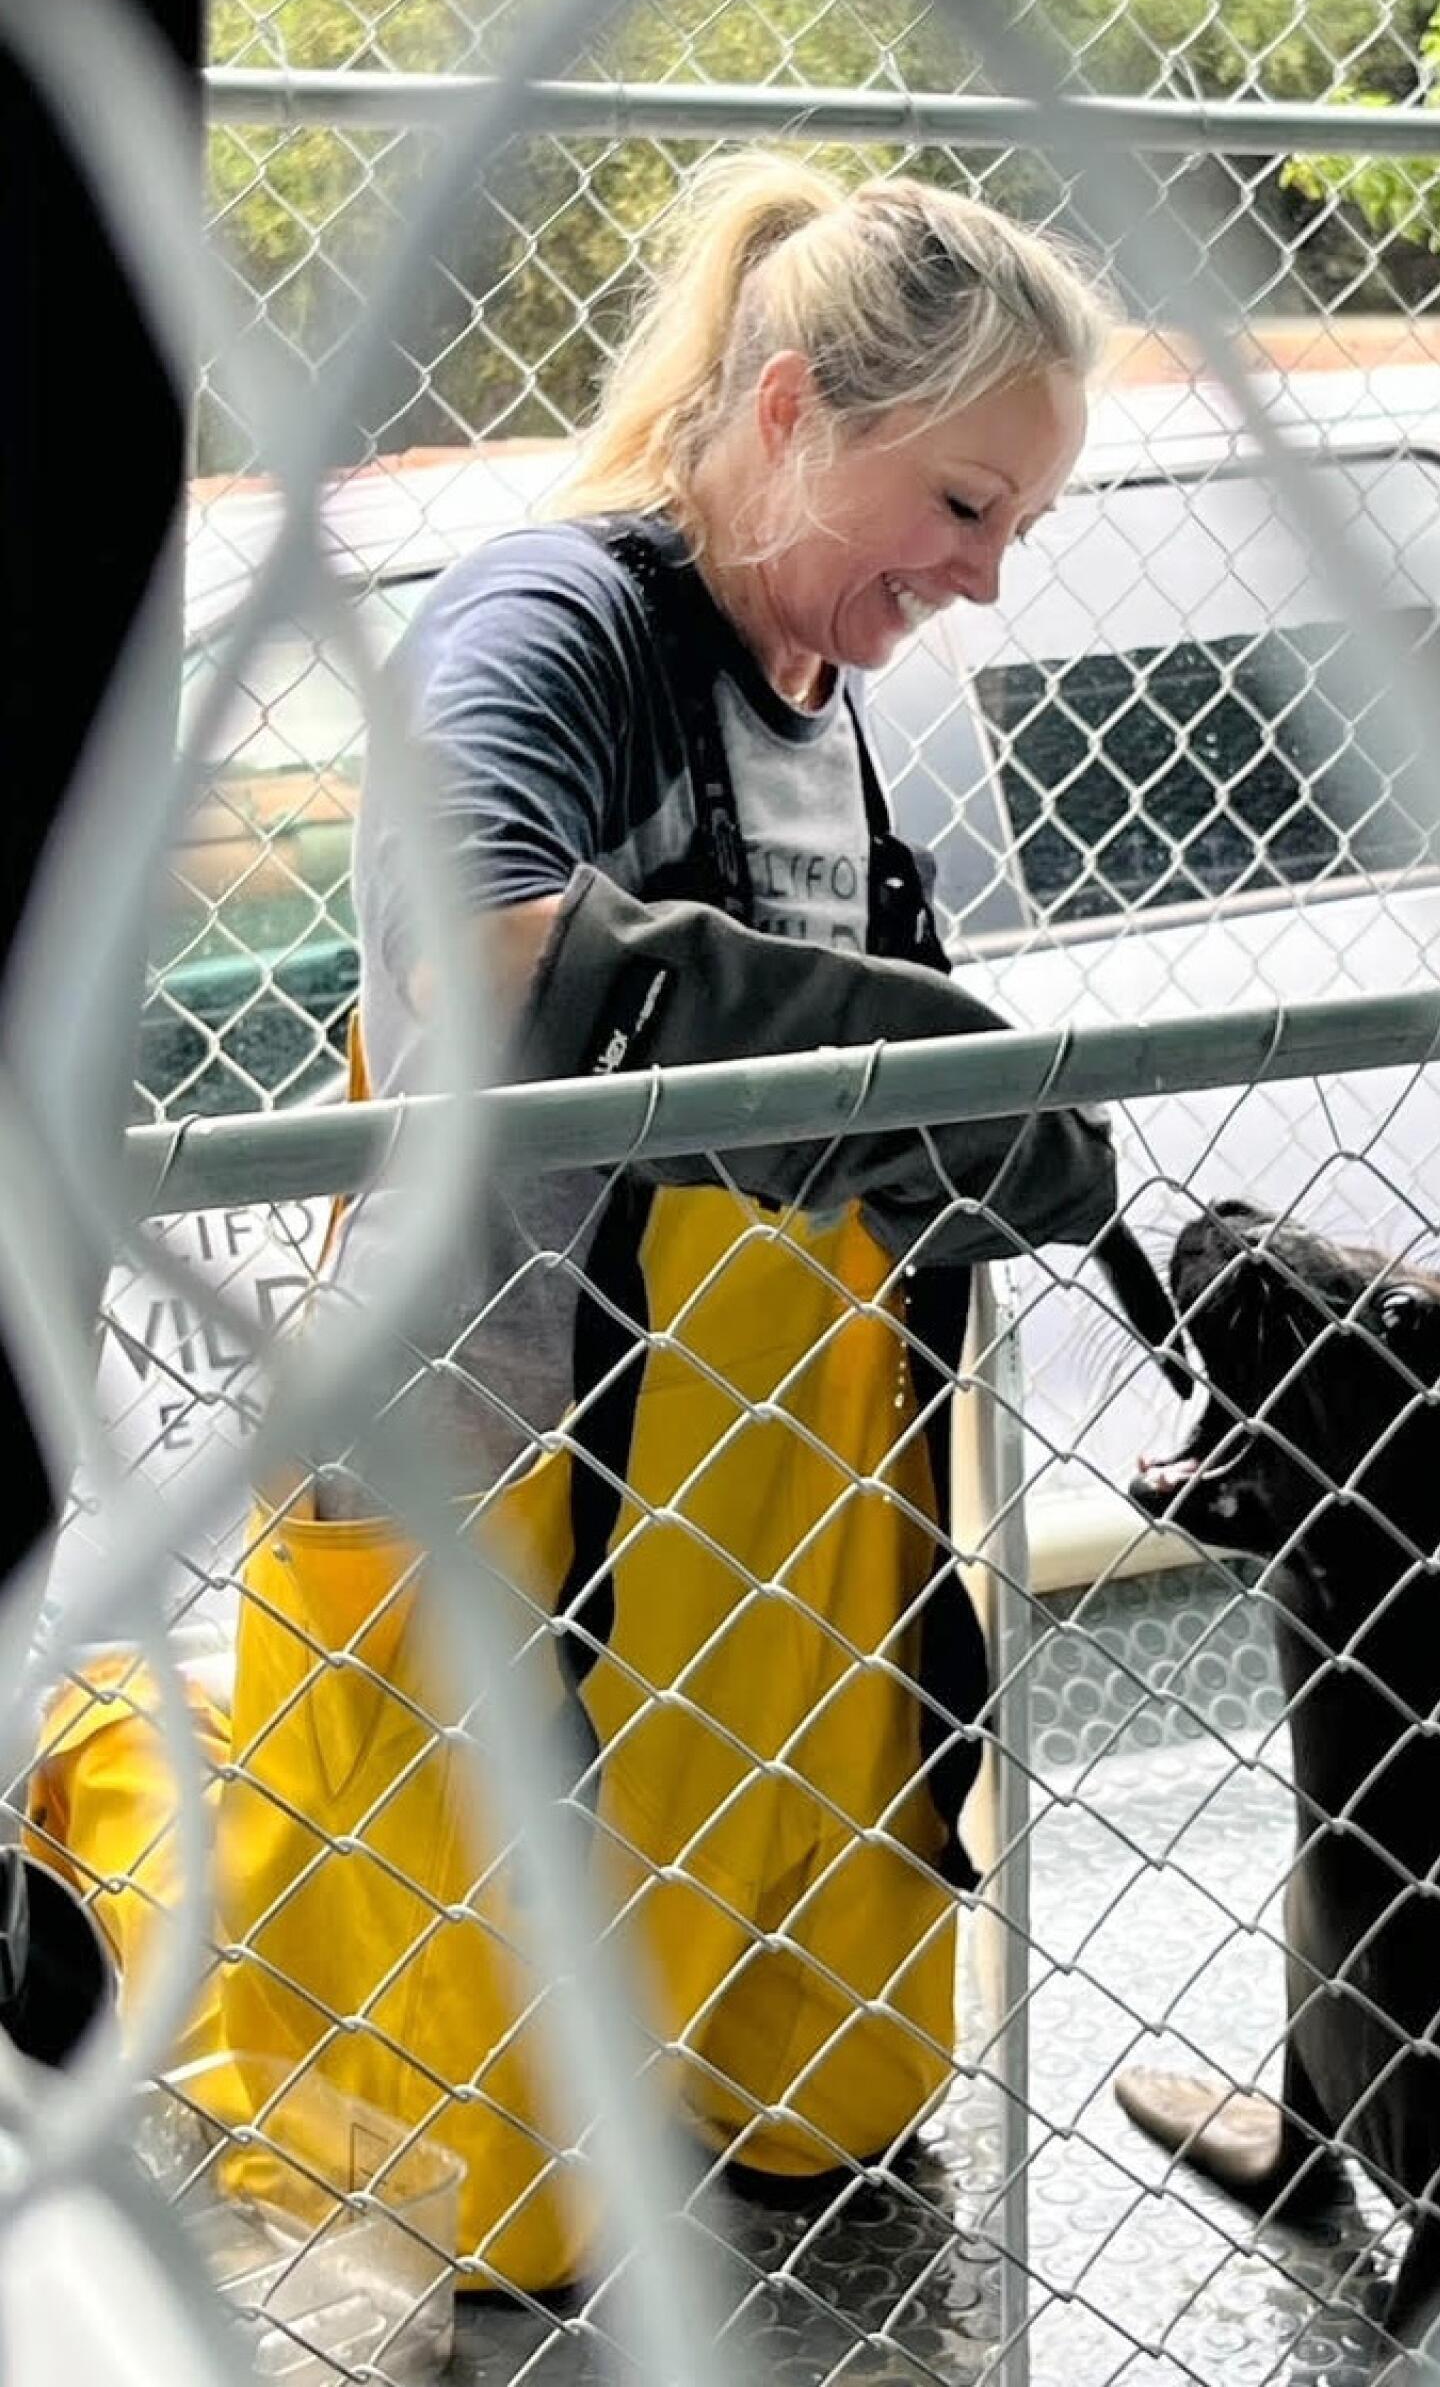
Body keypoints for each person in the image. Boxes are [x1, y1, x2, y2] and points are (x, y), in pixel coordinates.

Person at [202, 157, 1122, 2290]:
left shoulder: (820, 693)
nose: (982, 580)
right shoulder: (563, 613)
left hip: (785, 1508)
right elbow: (483, 928)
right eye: (962, 507)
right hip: (523, 1463)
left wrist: (949, 1136)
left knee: (840, 2094)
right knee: (500, 2213)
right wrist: (878, 1042)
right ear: (791, 408)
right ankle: (97, 1810)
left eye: (1021, 528)